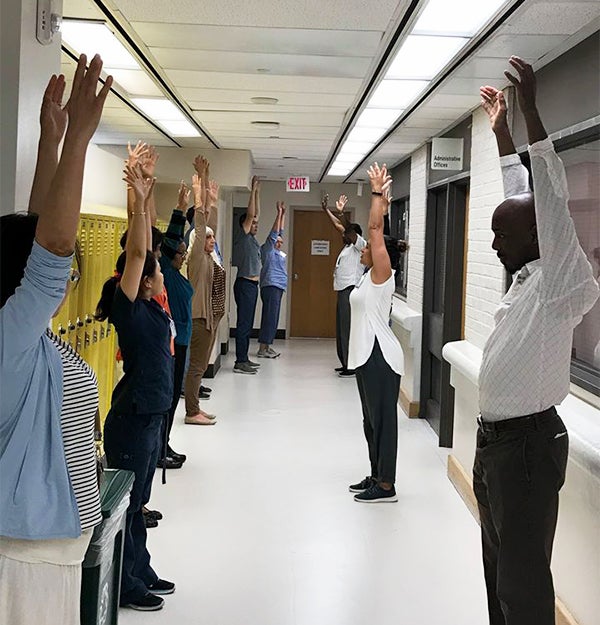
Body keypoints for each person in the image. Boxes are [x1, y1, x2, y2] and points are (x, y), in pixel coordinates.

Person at [476, 57, 599, 625]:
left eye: (503, 234)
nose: (496, 243)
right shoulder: (526, 276)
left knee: (523, 590)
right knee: (499, 576)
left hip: (526, 450)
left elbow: (546, 198)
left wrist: (531, 113)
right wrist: (502, 134)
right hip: (497, 447)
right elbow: (520, 196)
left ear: (537, 238)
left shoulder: (561, 284)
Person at [0, 55, 111, 625]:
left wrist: (53, 140)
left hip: (47, 544)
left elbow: (38, 231)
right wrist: (79, 145)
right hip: (28, 550)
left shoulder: (23, 335)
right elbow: (49, 250)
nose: (68, 279)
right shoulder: (8, 335)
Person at [95, 164, 175, 612]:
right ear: (142, 278)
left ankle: (139, 569)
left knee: (139, 501)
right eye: (153, 269)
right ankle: (124, 585)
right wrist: (138, 202)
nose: (159, 272)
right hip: (132, 419)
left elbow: (145, 253)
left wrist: (146, 202)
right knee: (127, 503)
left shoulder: (150, 305)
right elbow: (139, 252)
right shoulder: (129, 310)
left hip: (151, 414)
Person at [347, 164, 405, 503]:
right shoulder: (370, 275)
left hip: (380, 355)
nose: (364, 248)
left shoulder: (383, 273)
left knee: (383, 422)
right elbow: (375, 227)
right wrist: (382, 202)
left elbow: (374, 228)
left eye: (370, 246)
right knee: (371, 421)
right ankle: (376, 474)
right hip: (366, 356)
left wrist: (377, 194)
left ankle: (387, 485)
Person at [184, 167, 226, 424]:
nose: (211, 240)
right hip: (199, 318)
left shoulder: (211, 257)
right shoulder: (198, 258)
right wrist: (200, 199)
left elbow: (210, 226)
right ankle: (191, 412)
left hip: (209, 318)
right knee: (197, 368)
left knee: (199, 367)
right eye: (208, 238)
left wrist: (212, 200)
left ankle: (196, 407)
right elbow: (201, 227)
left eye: (212, 238)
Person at [158, 182, 193, 458]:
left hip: (181, 343)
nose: (182, 256)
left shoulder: (176, 275)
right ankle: (159, 447)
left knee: (172, 400)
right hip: (173, 344)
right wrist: (180, 209)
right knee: (168, 399)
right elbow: (172, 239)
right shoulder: (166, 273)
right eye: (180, 253)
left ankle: (164, 443)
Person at [322, 193, 367, 377]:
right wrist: (326, 210)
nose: (343, 234)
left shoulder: (359, 246)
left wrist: (342, 214)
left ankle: (351, 366)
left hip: (351, 291)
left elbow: (345, 227)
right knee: (341, 330)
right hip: (342, 292)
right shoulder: (347, 247)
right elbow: (339, 227)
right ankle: (344, 362)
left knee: (348, 330)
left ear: (354, 235)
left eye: (347, 233)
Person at [232, 175, 262, 374]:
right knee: (243, 324)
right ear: (245, 224)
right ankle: (240, 361)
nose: (255, 225)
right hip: (244, 284)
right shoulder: (242, 236)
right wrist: (252, 191)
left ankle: (244, 358)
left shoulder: (252, 239)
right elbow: (251, 214)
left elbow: (255, 214)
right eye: (252, 223)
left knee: (248, 323)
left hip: (252, 286)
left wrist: (258, 192)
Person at [257, 201, 287, 358]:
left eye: (282, 241)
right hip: (270, 286)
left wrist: (283, 214)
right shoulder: (267, 250)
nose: (280, 242)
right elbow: (275, 233)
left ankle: (267, 346)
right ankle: (262, 348)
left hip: (278, 287)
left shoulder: (276, 250)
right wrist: (277, 215)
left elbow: (280, 232)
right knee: (269, 317)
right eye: (278, 241)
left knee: (273, 317)